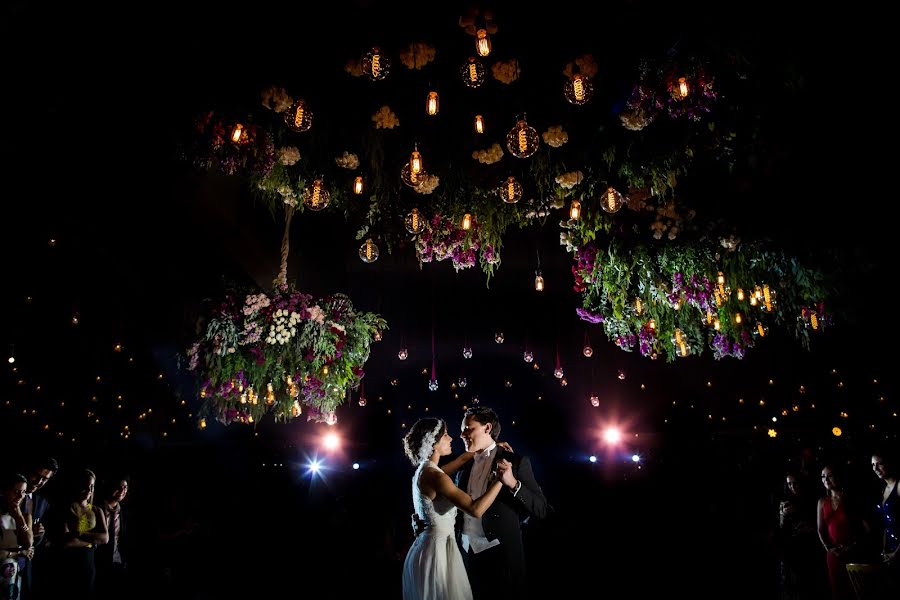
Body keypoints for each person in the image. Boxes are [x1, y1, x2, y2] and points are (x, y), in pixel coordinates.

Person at [401, 417, 504, 600]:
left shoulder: (426, 469)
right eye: (446, 435)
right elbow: (475, 509)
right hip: (436, 553)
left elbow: (463, 458)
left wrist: (492, 446)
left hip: (428, 546)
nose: (451, 438)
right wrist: (500, 480)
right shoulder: (435, 476)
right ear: (433, 443)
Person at [456, 406, 548, 599]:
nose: (462, 434)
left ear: (487, 428)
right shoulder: (463, 465)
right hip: (464, 555)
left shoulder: (515, 461)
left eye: (468, 428)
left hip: (501, 557)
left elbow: (542, 509)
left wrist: (513, 484)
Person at [817, 464, 870, 600]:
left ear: (838, 476)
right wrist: (829, 548)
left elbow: (867, 529)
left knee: (856, 591)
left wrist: (852, 546)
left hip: (852, 552)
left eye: (830, 475)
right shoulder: (822, 502)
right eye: (823, 476)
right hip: (833, 555)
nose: (826, 479)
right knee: (838, 592)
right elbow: (820, 529)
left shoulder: (851, 499)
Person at [776, 471, 822, 600]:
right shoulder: (786, 502)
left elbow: (815, 526)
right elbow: (781, 530)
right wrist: (782, 516)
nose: (792, 487)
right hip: (791, 552)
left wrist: (801, 514)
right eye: (789, 484)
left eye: (795, 483)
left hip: (809, 550)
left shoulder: (812, 499)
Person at [19, 457, 57, 600]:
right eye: (37, 475)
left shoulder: (42, 503)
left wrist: (40, 535)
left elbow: (40, 542)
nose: (38, 482)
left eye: (45, 479)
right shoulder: (7, 496)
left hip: (26, 570)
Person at [872, 449, 899, 591]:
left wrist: (897, 553)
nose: (875, 468)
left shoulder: (899, 485)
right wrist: (884, 549)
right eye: (873, 465)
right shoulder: (883, 490)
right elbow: (884, 525)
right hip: (889, 551)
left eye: (879, 463)